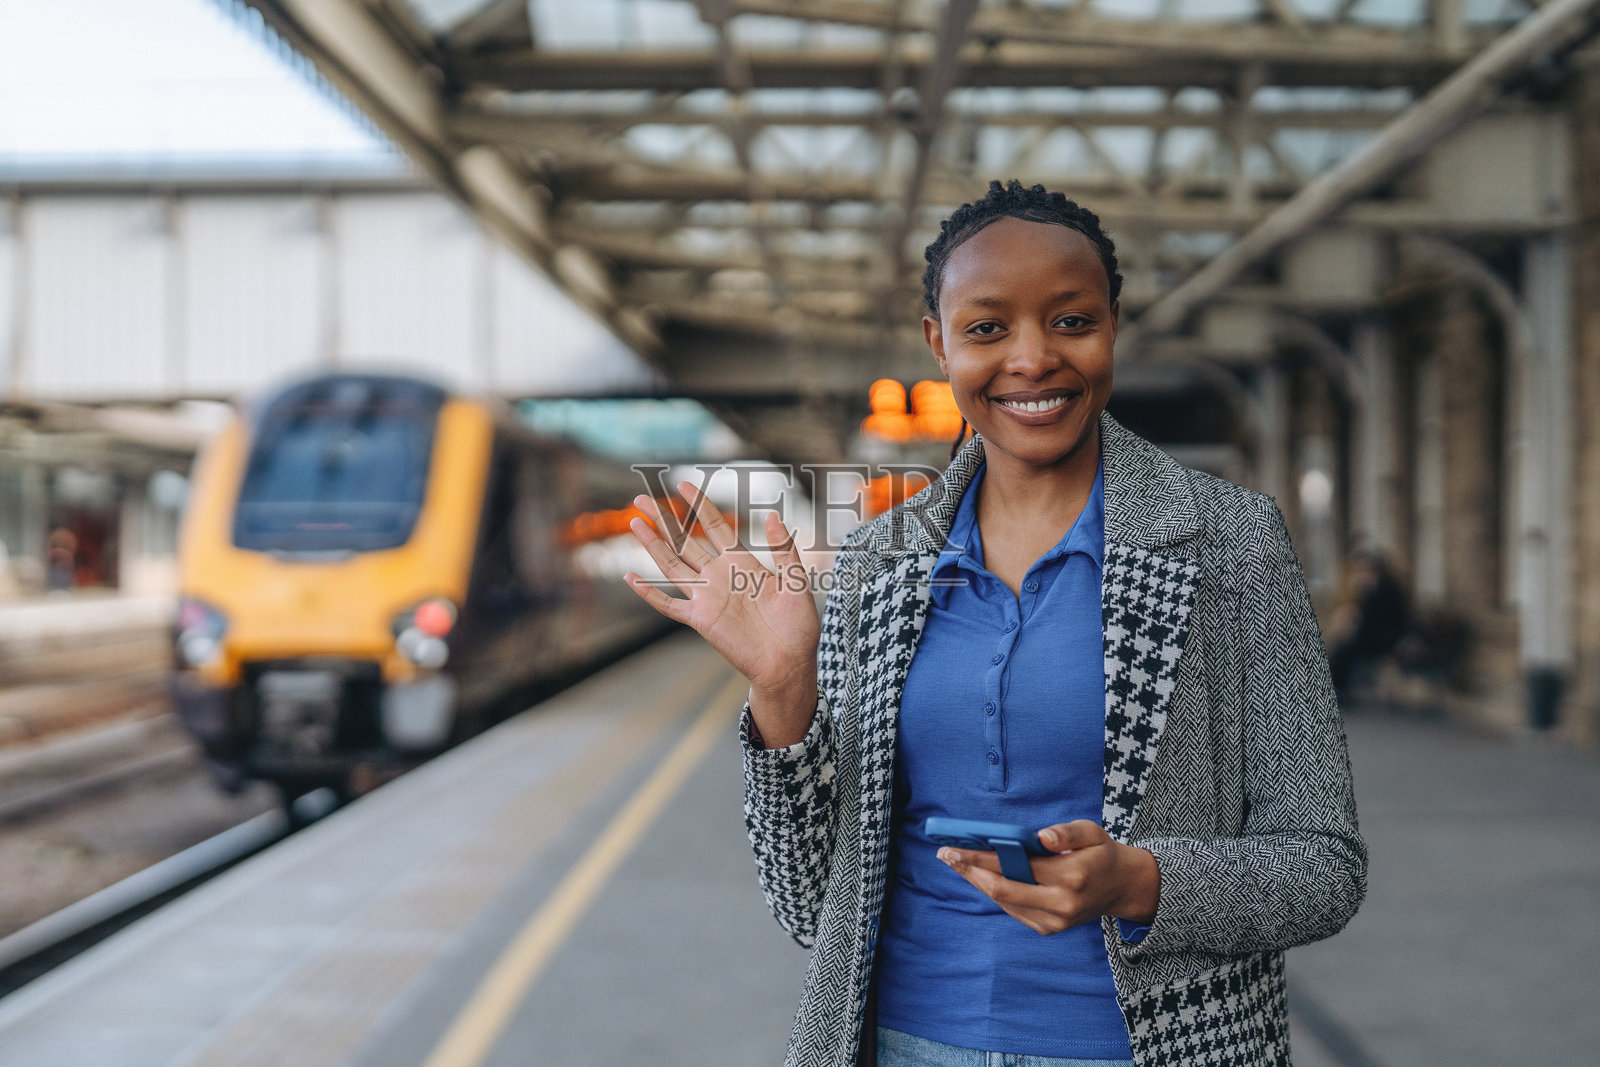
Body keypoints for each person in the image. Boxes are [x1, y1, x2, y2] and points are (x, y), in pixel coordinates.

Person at [623, 180, 1366, 1067]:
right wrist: (784, 688)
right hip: (904, 1044)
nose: (1032, 359)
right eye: (986, 329)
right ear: (938, 343)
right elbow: (806, 905)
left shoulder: (1229, 544)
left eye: (1071, 321)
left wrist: (1142, 880)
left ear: (1114, 325)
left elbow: (1325, 865)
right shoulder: (879, 562)